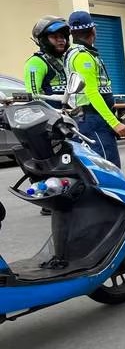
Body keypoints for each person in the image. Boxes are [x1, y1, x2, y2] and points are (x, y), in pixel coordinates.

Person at [64, 11, 125, 167]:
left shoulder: (82, 53)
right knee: (108, 166)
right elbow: (92, 93)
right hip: (93, 119)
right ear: (93, 30)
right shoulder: (83, 57)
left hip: (92, 118)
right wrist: (114, 123)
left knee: (101, 165)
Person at [24, 16, 70, 216]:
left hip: (67, 119)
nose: (61, 40)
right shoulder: (36, 63)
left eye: (63, 36)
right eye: (55, 37)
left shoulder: (65, 61)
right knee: (51, 161)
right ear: (43, 40)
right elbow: (33, 95)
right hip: (47, 122)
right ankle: (49, 199)